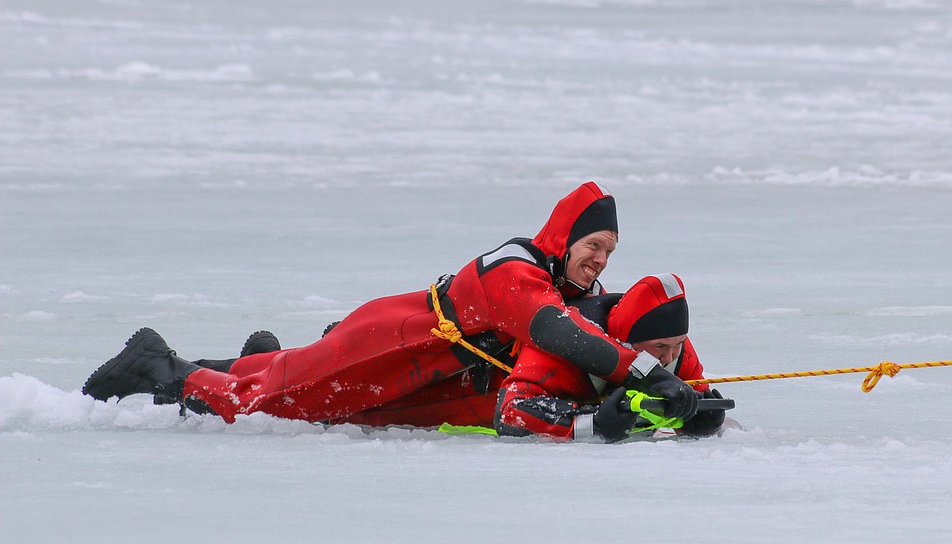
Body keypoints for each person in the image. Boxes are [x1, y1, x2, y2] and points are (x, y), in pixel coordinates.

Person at [82, 183, 700, 425]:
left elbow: (626, 319)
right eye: (593, 245)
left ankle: (266, 357)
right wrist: (641, 371)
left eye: (610, 251)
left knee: (292, 385)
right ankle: (159, 365)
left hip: (427, 368)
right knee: (266, 410)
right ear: (564, 236)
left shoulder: (579, 289)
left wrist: (682, 381)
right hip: (391, 343)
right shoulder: (515, 267)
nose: (600, 261)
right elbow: (558, 334)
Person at [496, 273, 728, 442]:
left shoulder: (678, 352)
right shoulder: (564, 345)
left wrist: (703, 423)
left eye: (679, 343)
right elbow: (510, 412)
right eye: (659, 346)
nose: (668, 356)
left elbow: (702, 404)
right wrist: (592, 424)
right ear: (626, 341)